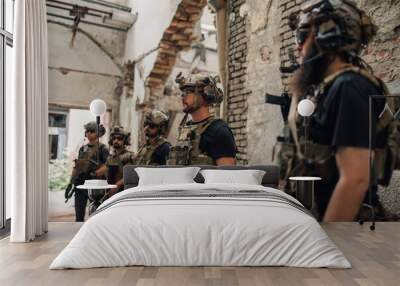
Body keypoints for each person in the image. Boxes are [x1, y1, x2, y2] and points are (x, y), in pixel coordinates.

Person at [278, 0, 388, 222]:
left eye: (301, 36)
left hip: (348, 231)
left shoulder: (349, 87)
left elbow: (355, 179)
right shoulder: (326, 88)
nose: (298, 46)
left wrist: (327, 247)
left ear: (327, 37)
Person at [168, 73, 237, 166]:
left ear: (205, 94)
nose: (183, 96)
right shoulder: (185, 129)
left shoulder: (219, 131)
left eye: (188, 91)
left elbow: (226, 176)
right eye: (182, 93)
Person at [68, 121, 109, 222]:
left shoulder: (103, 148)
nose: (89, 133)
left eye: (92, 131)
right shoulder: (83, 148)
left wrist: (96, 173)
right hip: (81, 183)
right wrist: (71, 182)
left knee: (96, 214)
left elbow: (107, 165)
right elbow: (77, 167)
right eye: (87, 131)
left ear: (98, 133)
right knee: (79, 215)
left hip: (95, 184)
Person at [96, 126, 134, 197]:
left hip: (123, 192)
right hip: (110, 192)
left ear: (125, 140)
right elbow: (105, 169)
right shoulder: (111, 157)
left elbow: (130, 176)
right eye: (114, 138)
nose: (116, 141)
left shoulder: (129, 156)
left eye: (119, 138)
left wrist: (117, 185)